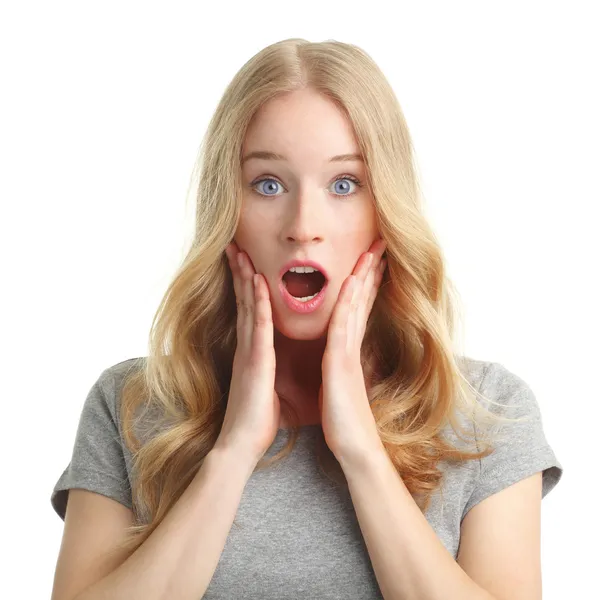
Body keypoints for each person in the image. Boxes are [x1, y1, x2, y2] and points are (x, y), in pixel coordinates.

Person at [50, 38, 563, 600]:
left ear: (384, 210)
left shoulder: (487, 412)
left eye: (344, 185)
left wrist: (362, 453)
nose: (302, 226)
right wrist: (234, 450)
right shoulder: (130, 405)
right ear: (228, 208)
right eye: (268, 184)